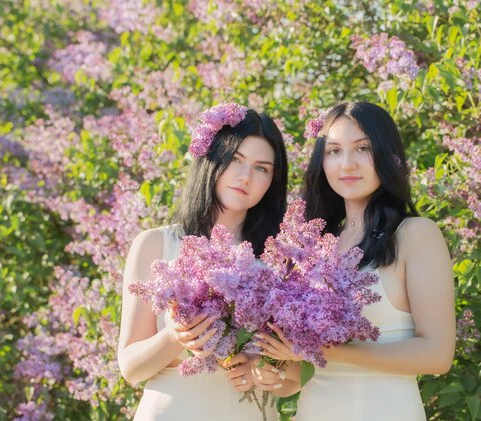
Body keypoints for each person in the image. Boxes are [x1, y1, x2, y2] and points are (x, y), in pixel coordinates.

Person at [252, 101, 455, 419]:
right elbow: (303, 372)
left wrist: (325, 352)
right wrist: (278, 373)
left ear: (388, 156)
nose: (346, 164)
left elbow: (437, 355)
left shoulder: (415, 235)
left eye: (363, 149)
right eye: (333, 151)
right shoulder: (313, 245)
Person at [117, 103, 287, 420]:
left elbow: (289, 377)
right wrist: (175, 336)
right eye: (236, 159)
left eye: (262, 168)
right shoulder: (157, 243)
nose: (246, 176)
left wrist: (262, 368)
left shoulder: (278, 259)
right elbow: (131, 367)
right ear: (212, 158)